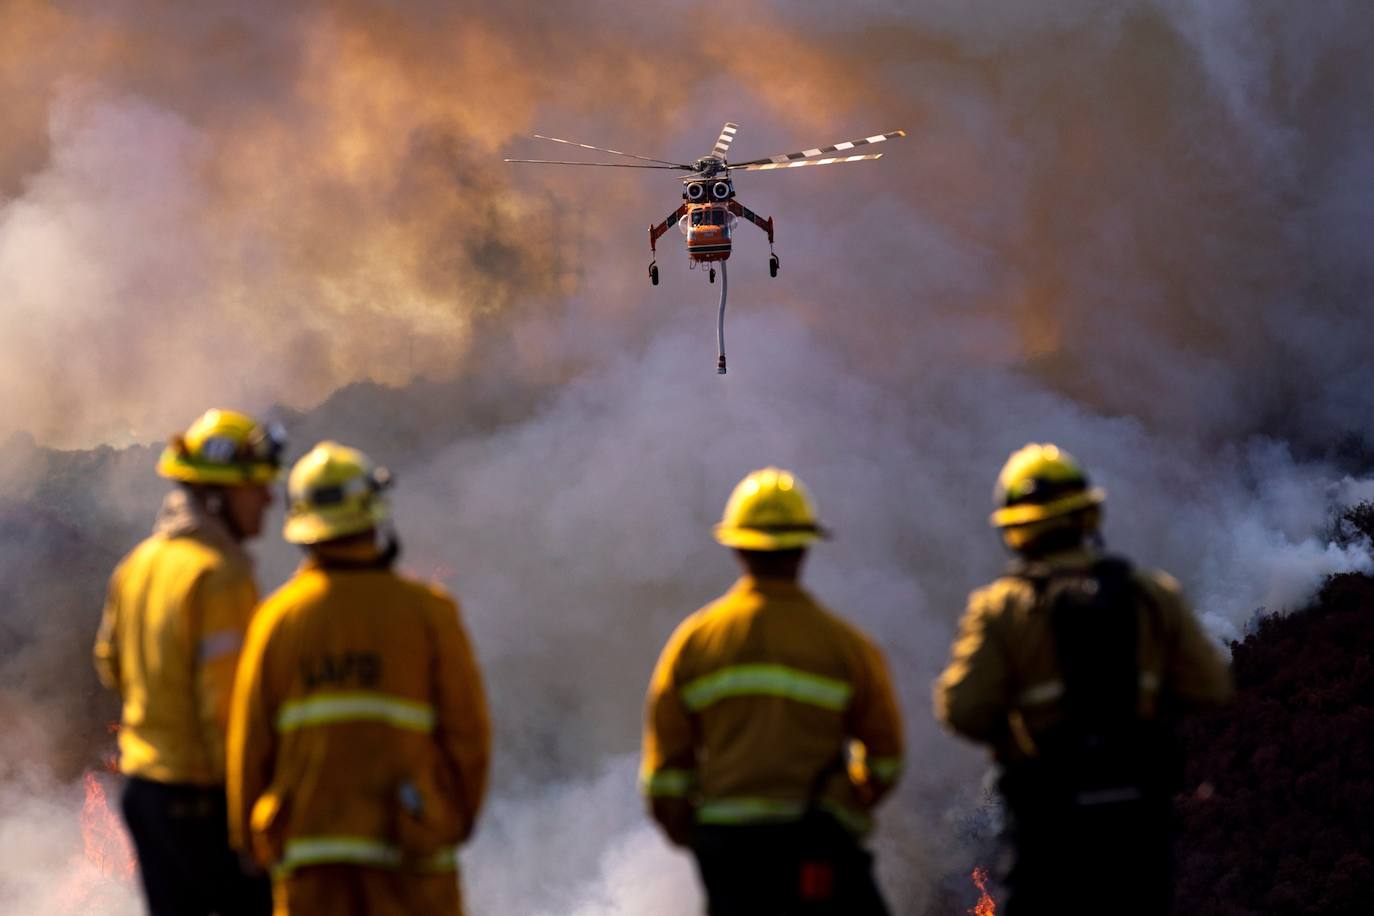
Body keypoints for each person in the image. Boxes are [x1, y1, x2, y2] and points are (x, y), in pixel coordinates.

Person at [934, 443, 1234, 915]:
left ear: (1014, 530)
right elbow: (1212, 687)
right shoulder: (1152, 595)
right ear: (1088, 516)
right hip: (1136, 828)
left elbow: (961, 710)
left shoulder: (1002, 610)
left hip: (1046, 831)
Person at [227, 441, 490, 916]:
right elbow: (468, 736)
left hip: (310, 862)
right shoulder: (430, 615)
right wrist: (450, 820)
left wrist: (255, 838)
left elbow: (250, 748)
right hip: (412, 854)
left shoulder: (276, 622)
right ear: (374, 514)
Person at [641, 467, 904, 915]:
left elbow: (664, 772)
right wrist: (847, 806)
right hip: (816, 841)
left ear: (737, 547)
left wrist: (695, 832)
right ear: (804, 548)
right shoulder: (846, 646)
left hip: (727, 848)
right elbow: (885, 757)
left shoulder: (695, 643)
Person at [93, 408, 283, 916]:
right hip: (203, 801)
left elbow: (110, 664)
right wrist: (251, 825)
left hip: (145, 794)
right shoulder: (221, 576)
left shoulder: (138, 565)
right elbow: (227, 712)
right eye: (255, 487)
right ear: (217, 495)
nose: (268, 498)